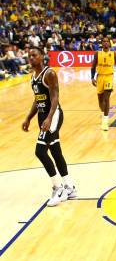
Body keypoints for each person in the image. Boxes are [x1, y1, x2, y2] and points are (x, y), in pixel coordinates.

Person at [22, 46, 77, 206]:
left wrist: (49, 118)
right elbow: (37, 99)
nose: (31, 58)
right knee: (55, 151)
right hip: (42, 116)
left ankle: (58, 188)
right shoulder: (33, 76)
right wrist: (28, 117)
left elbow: (55, 97)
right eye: (29, 56)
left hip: (53, 115)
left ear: (42, 56)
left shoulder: (50, 73)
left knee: (40, 151)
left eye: (34, 55)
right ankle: (70, 187)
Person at [91, 38, 116, 131]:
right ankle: (104, 113)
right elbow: (93, 66)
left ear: (110, 43)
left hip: (109, 77)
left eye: (107, 41)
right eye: (103, 41)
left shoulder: (114, 53)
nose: (105, 43)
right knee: (100, 102)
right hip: (99, 77)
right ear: (102, 44)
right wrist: (92, 78)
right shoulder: (97, 53)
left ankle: (105, 122)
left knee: (106, 99)